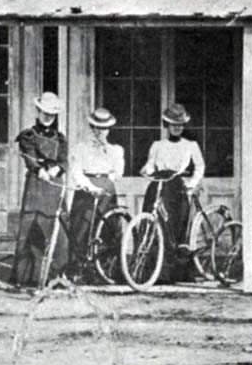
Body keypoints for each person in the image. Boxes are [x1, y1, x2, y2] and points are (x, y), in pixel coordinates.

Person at [139, 103, 206, 282]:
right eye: (173, 124)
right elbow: (151, 163)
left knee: (176, 227)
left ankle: (176, 271)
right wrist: (146, 169)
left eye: (180, 125)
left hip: (177, 187)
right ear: (166, 125)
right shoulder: (157, 145)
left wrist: (192, 183)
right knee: (155, 223)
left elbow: (200, 166)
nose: (177, 128)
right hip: (159, 185)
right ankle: (155, 271)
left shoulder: (190, 145)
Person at [12, 92, 68, 288]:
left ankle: (55, 277)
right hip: (36, 187)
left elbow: (64, 160)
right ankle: (26, 278)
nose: (47, 117)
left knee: (55, 230)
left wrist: (57, 169)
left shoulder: (60, 138)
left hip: (54, 188)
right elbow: (29, 156)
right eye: (44, 113)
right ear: (38, 111)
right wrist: (40, 170)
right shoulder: (28, 135)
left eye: (51, 114)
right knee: (31, 229)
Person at [67, 107, 126, 274]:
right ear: (92, 128)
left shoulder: (115, 150)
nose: (101, 132)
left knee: (109, 230)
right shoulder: (81, 148)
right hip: (86, 189)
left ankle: (108, 269)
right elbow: (76, 170)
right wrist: (89, 186)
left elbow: (118, 171)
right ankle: (80, 270)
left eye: (104, 128)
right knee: (82, 228)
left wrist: (106, 183)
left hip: (107, 190)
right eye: (97, 127)